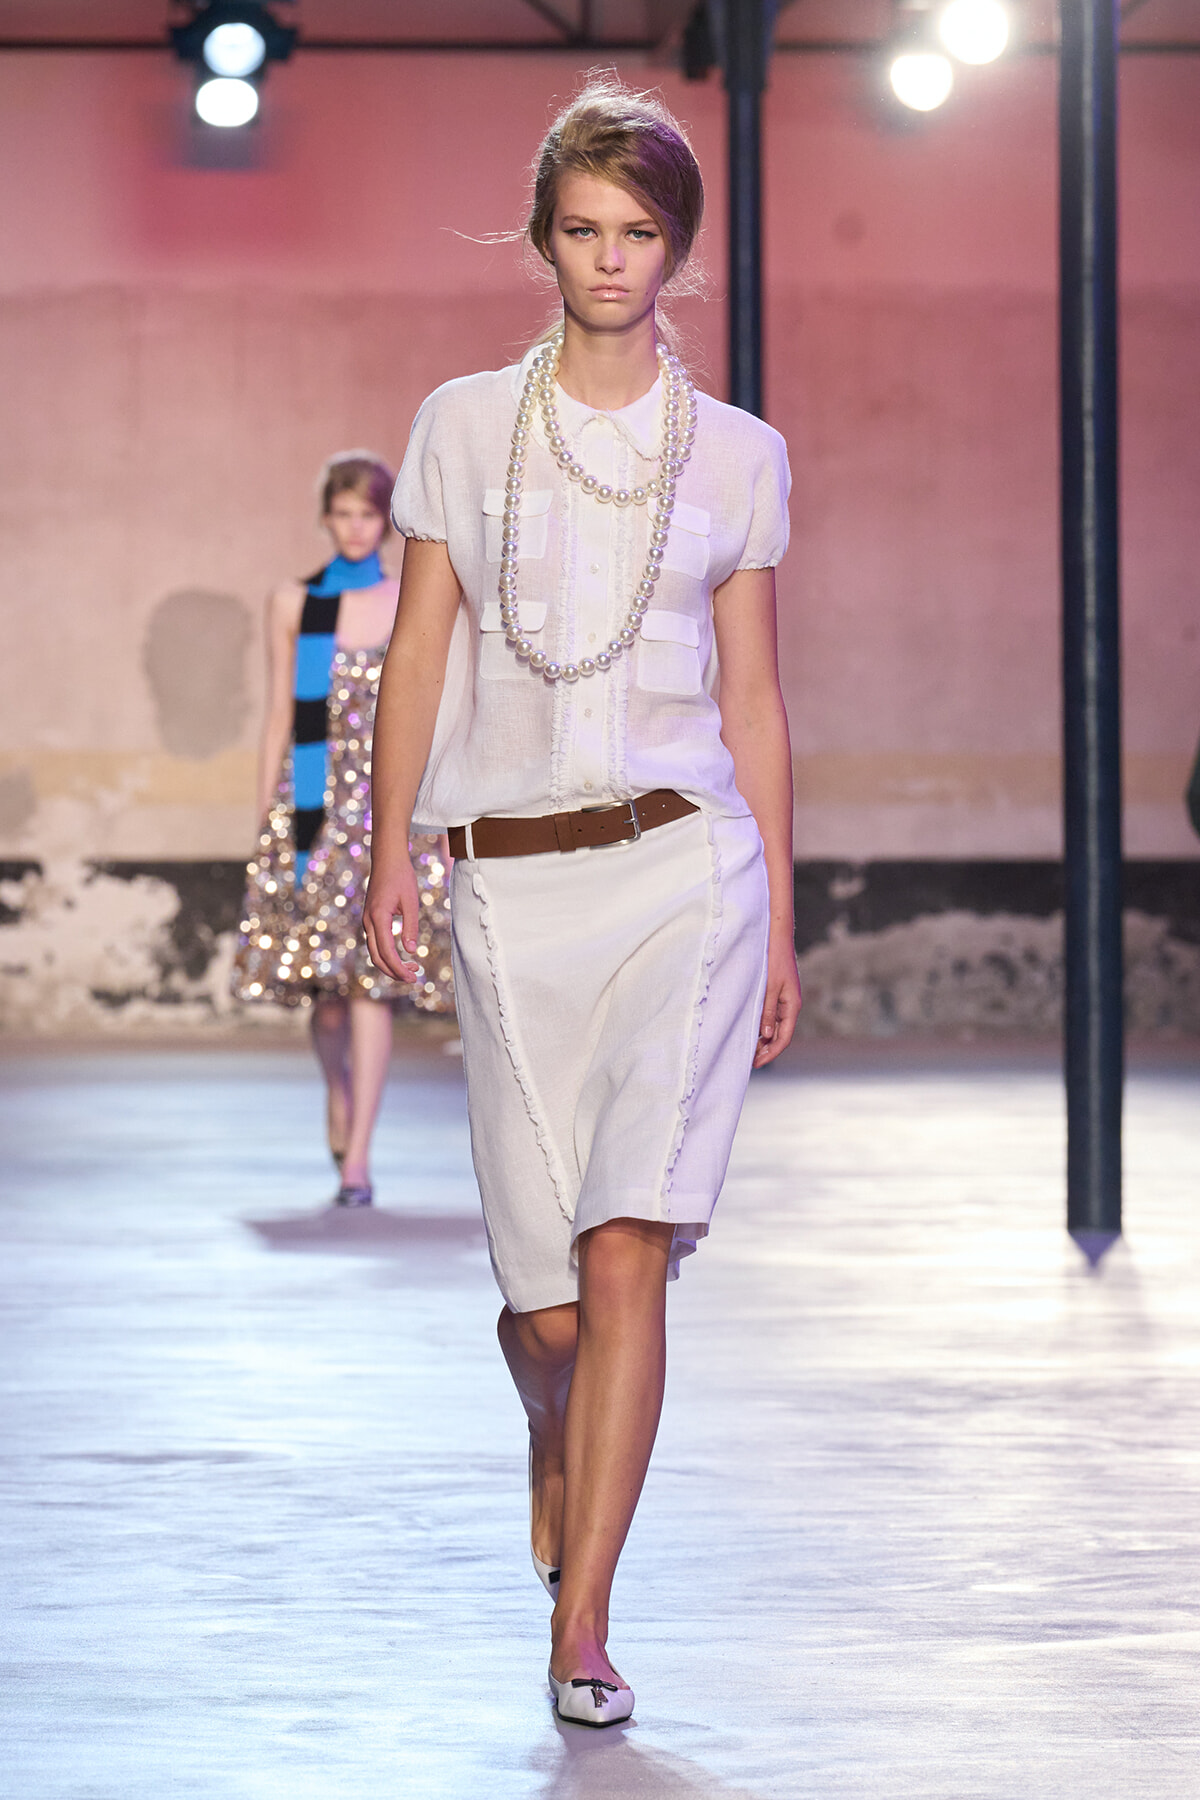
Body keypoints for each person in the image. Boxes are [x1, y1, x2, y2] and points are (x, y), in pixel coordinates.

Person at [364, 80, 799, 1725]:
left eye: (641, 233)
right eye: (583, 229)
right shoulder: (466, 424)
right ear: (543, 239)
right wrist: (393, 852)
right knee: (546, 1312)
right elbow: (420, 651)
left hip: (686, 869)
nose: (612, 259)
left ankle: (589, 1621)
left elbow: (756, 700)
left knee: (630, 1248)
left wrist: (785, 916)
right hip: (508, 884)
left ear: (676, 248)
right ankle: (553, 1423)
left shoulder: (740, 455)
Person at [232, 452, 453, 1206]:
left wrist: (437, 821)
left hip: (388, 810)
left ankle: (358, 1159)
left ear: (385, 521)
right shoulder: (294, 602)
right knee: (324, 1001)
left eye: (368, 514)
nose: (355, 527)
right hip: (311, 813)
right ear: (325, 518)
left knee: (370, 990)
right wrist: (265, 824)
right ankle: (339, 1090)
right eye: (344, 513)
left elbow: (434, 712)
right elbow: (279, 716)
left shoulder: (407, 601)